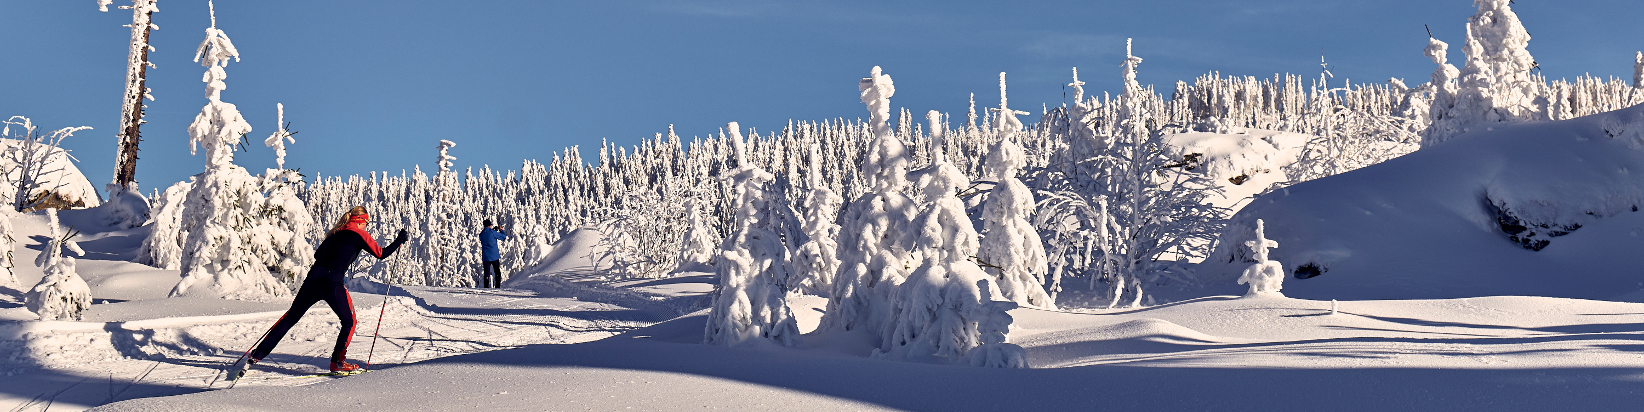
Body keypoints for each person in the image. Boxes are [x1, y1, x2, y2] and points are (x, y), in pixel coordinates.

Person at [230, 206, 408, 379]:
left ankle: (256, 355)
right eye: (367, 222)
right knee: (349, 321)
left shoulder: (335, 233)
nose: (366, 226)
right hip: (332, 283)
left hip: (313, 280)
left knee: (291, 317)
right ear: (361, 221)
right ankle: (337, 362)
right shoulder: (360, 233)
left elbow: (317, 255)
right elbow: (380, 253)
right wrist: (399, 240)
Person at [479, 219, 508, 288]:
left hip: (486, 256)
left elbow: (486, 237)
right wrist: (501, 230)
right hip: (494, 255)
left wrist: (493, 231)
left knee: (487, 273)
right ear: (490, 225)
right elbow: (503, 237)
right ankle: (497, 286)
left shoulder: (481, 234)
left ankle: (486, 287)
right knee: (497, 271)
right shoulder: (492, 232)